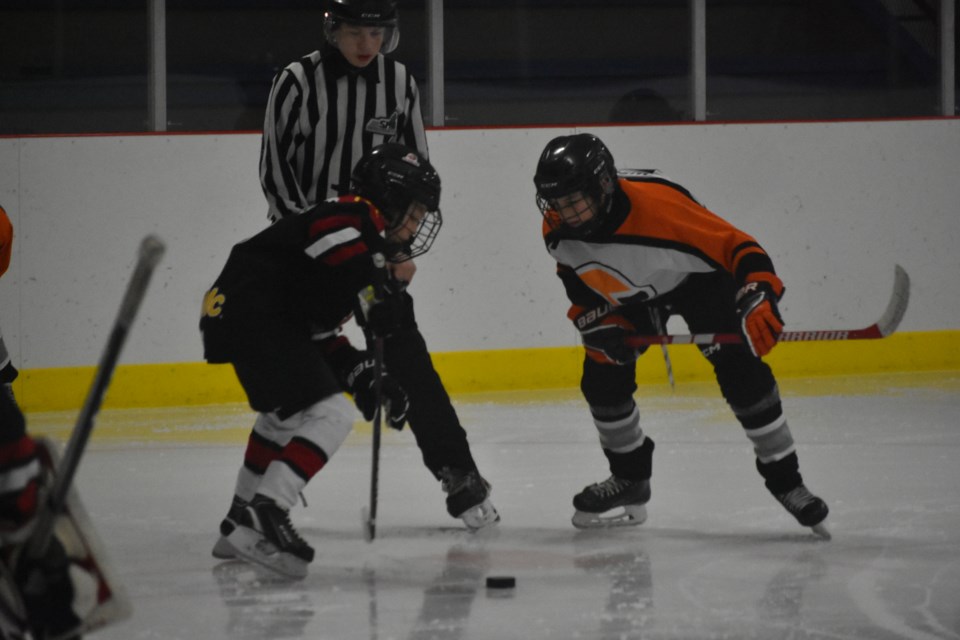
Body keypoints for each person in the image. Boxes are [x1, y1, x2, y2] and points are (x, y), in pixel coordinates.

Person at [237, 0, 497, 543]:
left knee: (407, 355)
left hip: (372, 249)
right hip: (307, 255)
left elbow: (416, 167)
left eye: (376, 33)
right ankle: (253, 504)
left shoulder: (398, 82)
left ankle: (459, 475)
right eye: (356, 31)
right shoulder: (297, 82)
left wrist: (397, 248)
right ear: (334, 30)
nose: (366, 44)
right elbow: (276, 174)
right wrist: (315, 242)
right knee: (303, 372)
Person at [201, 144, 495, 579]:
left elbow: (319, 336)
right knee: (331, 415)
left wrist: (366, 375)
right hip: (253, 312)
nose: (414, 228)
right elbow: (344, 252)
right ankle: (266, 511)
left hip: (246, 315)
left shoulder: (351, 250)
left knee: (280, 421)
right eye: (412, 214)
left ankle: (236, 524)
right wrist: (381, 285)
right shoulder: (353, 216)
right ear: (390, 200)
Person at [532, 133, 830, 536]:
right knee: (602, 376)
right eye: (559, 203)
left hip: (699, 281)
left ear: (602, 185)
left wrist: (758, 292)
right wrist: (598, 318)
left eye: (574, 200)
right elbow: (575, 276)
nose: (566, 213)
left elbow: (740, 247)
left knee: (741, 372)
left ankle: (787, 482)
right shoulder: (557, 227)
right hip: (632, 291)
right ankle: (630, 477)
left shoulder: (663, 213)